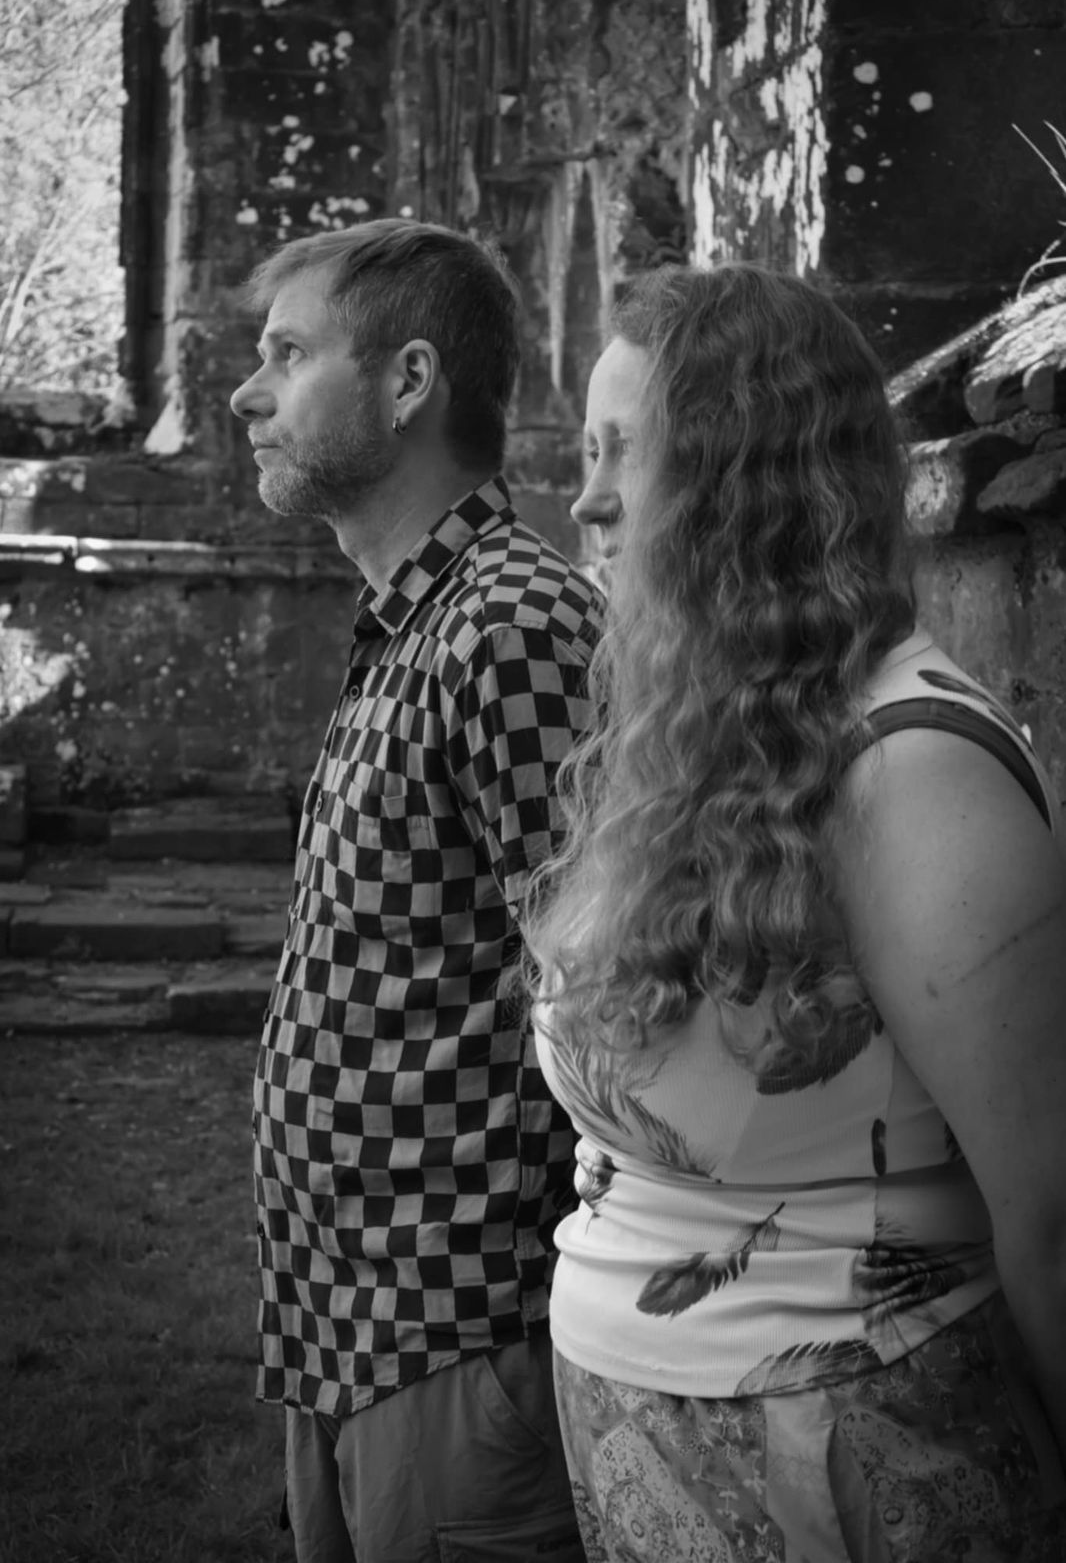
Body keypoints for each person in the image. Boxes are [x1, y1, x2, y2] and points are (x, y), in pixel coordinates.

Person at [525, 261, 1066, 1562]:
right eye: (587, 453)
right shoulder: (707, 741)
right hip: (658, 1454)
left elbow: (1051, 1214)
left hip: (859, 1465)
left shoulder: (914, 770)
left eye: (628, 453)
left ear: (745, 482)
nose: (587, 500)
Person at [229, 219, 600, 1563]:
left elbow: (604, 993)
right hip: (340, 1321)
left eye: (288, 355)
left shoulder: (511, 628)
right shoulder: (414, 618)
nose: (247, 394)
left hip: (457, 1335)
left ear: (408, 382)